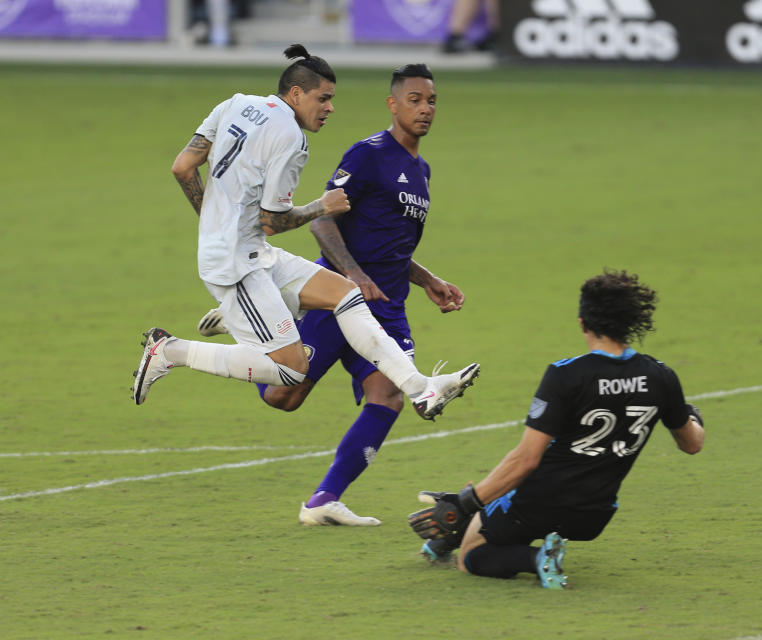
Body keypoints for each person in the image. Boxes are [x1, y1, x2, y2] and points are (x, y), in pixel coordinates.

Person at [132, 45, 479, 434]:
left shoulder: (235, 104)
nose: (330, 108)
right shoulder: (291, 140)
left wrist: (215, 220)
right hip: (235, 265)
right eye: (324, 98)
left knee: (345, 294)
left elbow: (183, 167)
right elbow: (272, 221)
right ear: (296, 94)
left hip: (250, 253)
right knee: (291, 374)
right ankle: (171, 351)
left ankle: (421, 389)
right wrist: (322, 205)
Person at [196, 63, 470, 527]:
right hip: (341, 294)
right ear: (393, 104)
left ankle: (322, 501)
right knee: (283, 397)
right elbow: (323, 219)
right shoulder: (368, 154)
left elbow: (392, 244)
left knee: (388, 397)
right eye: (415, 100)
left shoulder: (421, 170)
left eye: (432, 101)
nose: (425, 109)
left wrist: (428, 281)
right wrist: (352, 274)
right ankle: (257, 316)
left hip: (387, 304)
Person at [408, 271, 705, 589]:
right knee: (496, 493)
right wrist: (693, 415)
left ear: (582, 322)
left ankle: (536, 559)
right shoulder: (661, 376)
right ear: (633, 321)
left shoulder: (568, 375)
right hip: (595, 514)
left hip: (538, 505)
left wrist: (466, 502)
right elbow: (691, 443)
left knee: (473, 556)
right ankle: (447, 540)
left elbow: (526, 461)